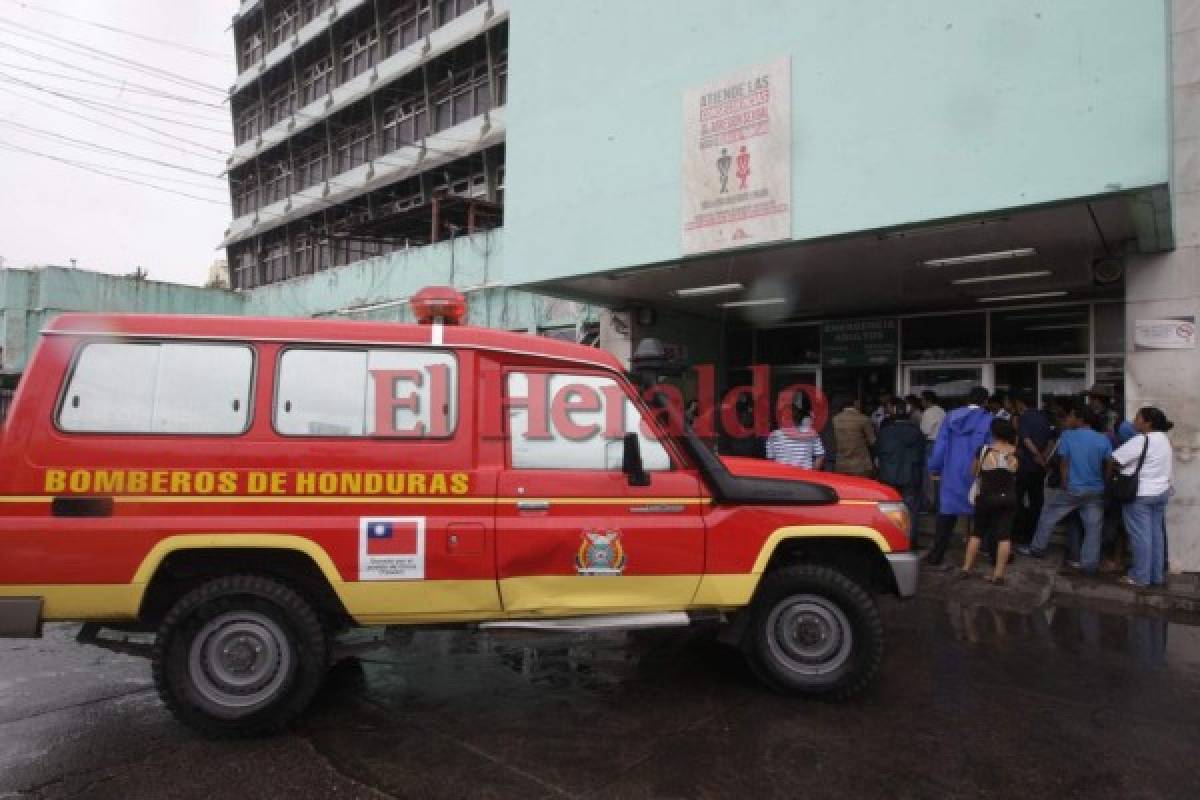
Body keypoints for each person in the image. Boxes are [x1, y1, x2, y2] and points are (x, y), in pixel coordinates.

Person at [1018, 402, 1113, 574]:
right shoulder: (1102, 438)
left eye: (1071, 416)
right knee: (1093, 529)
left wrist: (1064, 482)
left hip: (1073, 488)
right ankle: (1089, 565)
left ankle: (1037, 548)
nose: (1068, 419)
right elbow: (1109, 463)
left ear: (1080, 419)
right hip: (1095, 490)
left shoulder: (1068, 436)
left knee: (1047, 516)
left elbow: (1064, 463)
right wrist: (1104, 482)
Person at [925, 387, 994, 566]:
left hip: (951, 473)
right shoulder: (989, 420)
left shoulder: (950, 417)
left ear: (967, 399)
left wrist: (935, 467)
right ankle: (992, 555)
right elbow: (992, 450)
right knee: (983, 514)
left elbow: (940, 446)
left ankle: (937, 555)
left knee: (946, 515)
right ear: (985, 401)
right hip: (977, 474)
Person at [1111, 407, 1174, 587]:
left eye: (1137, 418)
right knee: (1156, 535)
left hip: (1141, 494)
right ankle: (1156, 576)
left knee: (1141, 537)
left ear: (1148, 423)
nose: (1134, 420)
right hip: (1161, 493)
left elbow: (1115, 459)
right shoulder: (1164, 439)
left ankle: (1140, 577)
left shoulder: (1141, 440)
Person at [959, 418, 1019, 583]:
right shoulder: (1015, 451)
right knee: (1004, 537)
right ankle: (998, 575)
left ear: (993, 432)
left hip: (986, 497)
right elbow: (1014, 473)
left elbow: (974, 472)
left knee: (977, 533)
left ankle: (966, 568)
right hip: (1008, 498)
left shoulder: (984, 450)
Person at [876, 401, 925, 545]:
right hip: (911, 475)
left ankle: (891, 538)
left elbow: (878, 452)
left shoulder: (885, 432)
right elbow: (921, 456)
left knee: (889, 509)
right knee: (911, 510)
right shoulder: (916, 432)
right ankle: (911, 540)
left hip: (888, 475)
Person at [1013, 390, 1052, 545]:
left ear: (1021, 403)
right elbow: (1050, 441)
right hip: (1039, 468)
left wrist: (1036, 454)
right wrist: (1045, 459)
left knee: (1017, 499)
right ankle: (1033, 533)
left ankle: (1021, 532)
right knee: (1037, 501)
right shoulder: (1044, 418)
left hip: (1025, 465)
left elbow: (1025, 439)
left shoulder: (1024, 418)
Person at [832, 396, 876, 478]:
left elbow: (833, 441)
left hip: (841, 464)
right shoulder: (863, 419)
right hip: (861, 465)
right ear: (856, 403)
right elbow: (872, 441)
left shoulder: (835, 419)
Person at [919, 390, 946, 512]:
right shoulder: (942, 411)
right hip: (942, 444)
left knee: (929, 477)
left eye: (922, 399)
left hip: (931, 444)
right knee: (938, 476)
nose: (921, 402)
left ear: (927, 400)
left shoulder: (928, 412)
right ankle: (939, 504)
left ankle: (930, 504)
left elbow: (924, 432)